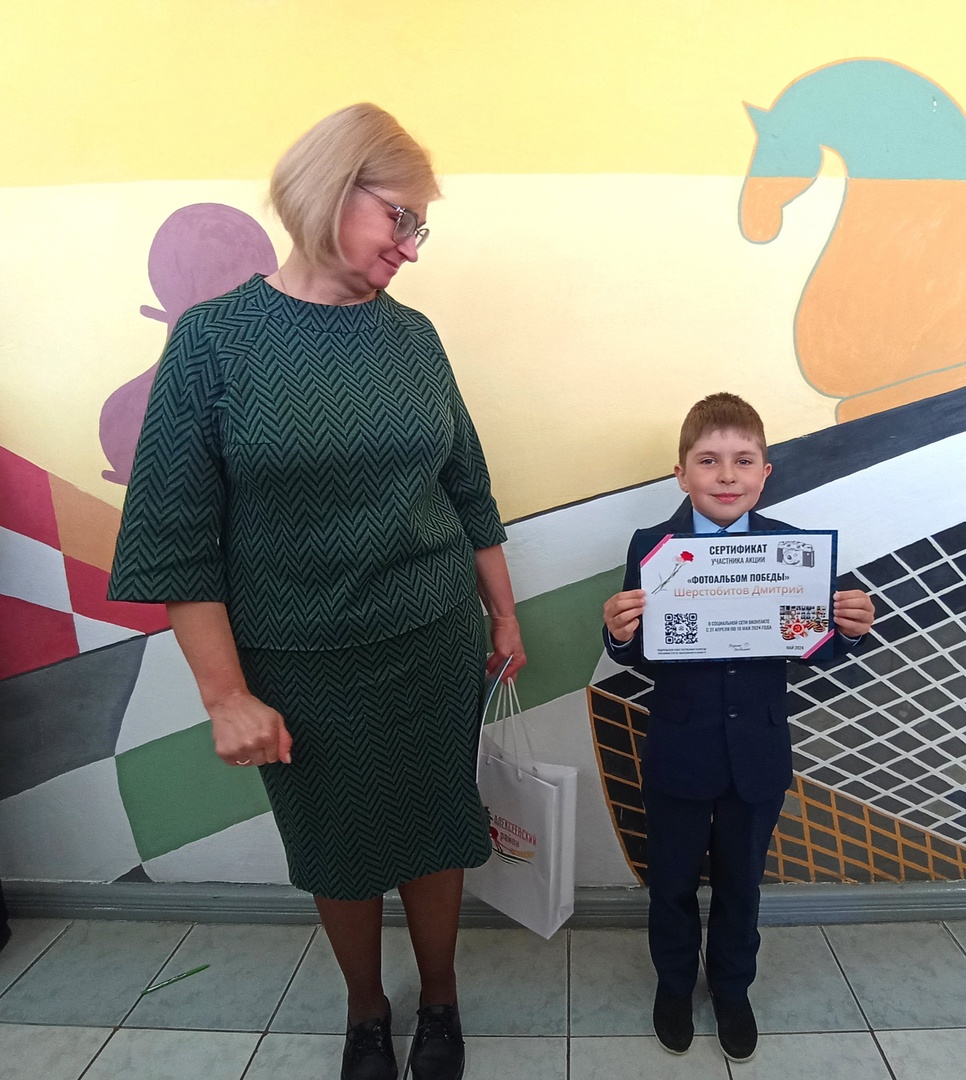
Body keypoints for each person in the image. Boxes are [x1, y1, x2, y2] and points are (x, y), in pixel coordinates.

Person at [109, 103, 526, 1080]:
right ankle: (366, 1011)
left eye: (421, 228)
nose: (410, 248)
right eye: (400, 219)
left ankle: (441, 1001)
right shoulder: (214, 343)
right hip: (299, 664)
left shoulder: (413, 338)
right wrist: (225, 695)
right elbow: (175, 539)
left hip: (431, 644)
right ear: (334, 191)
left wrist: (503, 613)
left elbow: (466, 485)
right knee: (338, 847)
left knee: (435, 830)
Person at [602, 393, 874, 1063]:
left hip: (757, 749)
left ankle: (731, 989)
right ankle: (674, 986)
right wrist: (617, 634)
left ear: (765, 473)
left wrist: (847, 629)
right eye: (709, 461)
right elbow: (643, 650)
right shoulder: (653, 548)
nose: (727, 475)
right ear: (681, 474)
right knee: (670, 882)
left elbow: (811, 647)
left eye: (743, 461)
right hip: (680, 749)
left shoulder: (791, 551)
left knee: (741, 883)